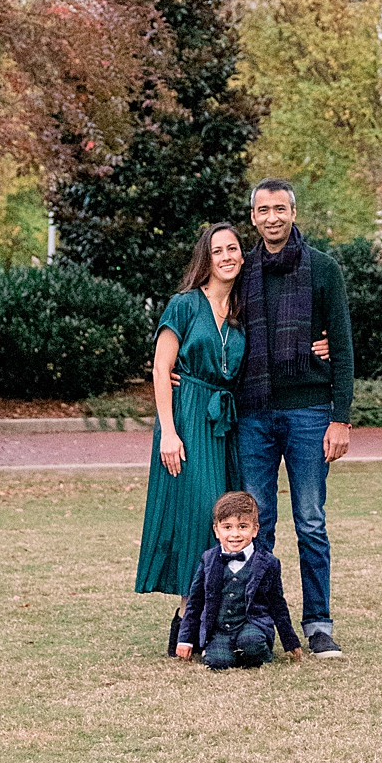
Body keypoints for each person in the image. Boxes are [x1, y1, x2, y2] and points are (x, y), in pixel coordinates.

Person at [237, 178, 355, 659]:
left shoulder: (324, 270)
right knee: (256, 525)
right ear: (253, 217)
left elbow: (342, 347)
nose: (272, 217)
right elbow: (209, 324)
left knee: (310, 522)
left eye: (279, 208)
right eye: (263, 210)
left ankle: (318, 622)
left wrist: (340, 417)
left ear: (293, 211)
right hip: (253, 414)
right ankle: (257, 621)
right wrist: (179, 369)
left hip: (309, 411)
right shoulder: (239, 272)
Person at [134, 221, 247, 652]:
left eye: (233, 249)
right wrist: (168, 431)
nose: (226, 256)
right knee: (198, 513)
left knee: (224, 514)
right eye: (218, 250)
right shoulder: (183, 305)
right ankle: (186, 620)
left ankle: (215, 619)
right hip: (187, 420)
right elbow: (162, 368)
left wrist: (322, 344)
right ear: (207, 257)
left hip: (226, 425)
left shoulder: (241, 312)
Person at [174, 490, 301, 670]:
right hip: (220, 630)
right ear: (216, 531)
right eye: (227, 527)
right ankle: (226, 652)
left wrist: (290, 642)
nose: (235, 534)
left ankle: (255, 653)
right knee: (218, 662)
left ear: (255, 530)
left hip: (252, 625)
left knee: (251, 643)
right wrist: (185, 639)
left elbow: (277, 603)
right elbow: (195, 602)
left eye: (242, 526)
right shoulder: (208, 559)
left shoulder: (268, 563)